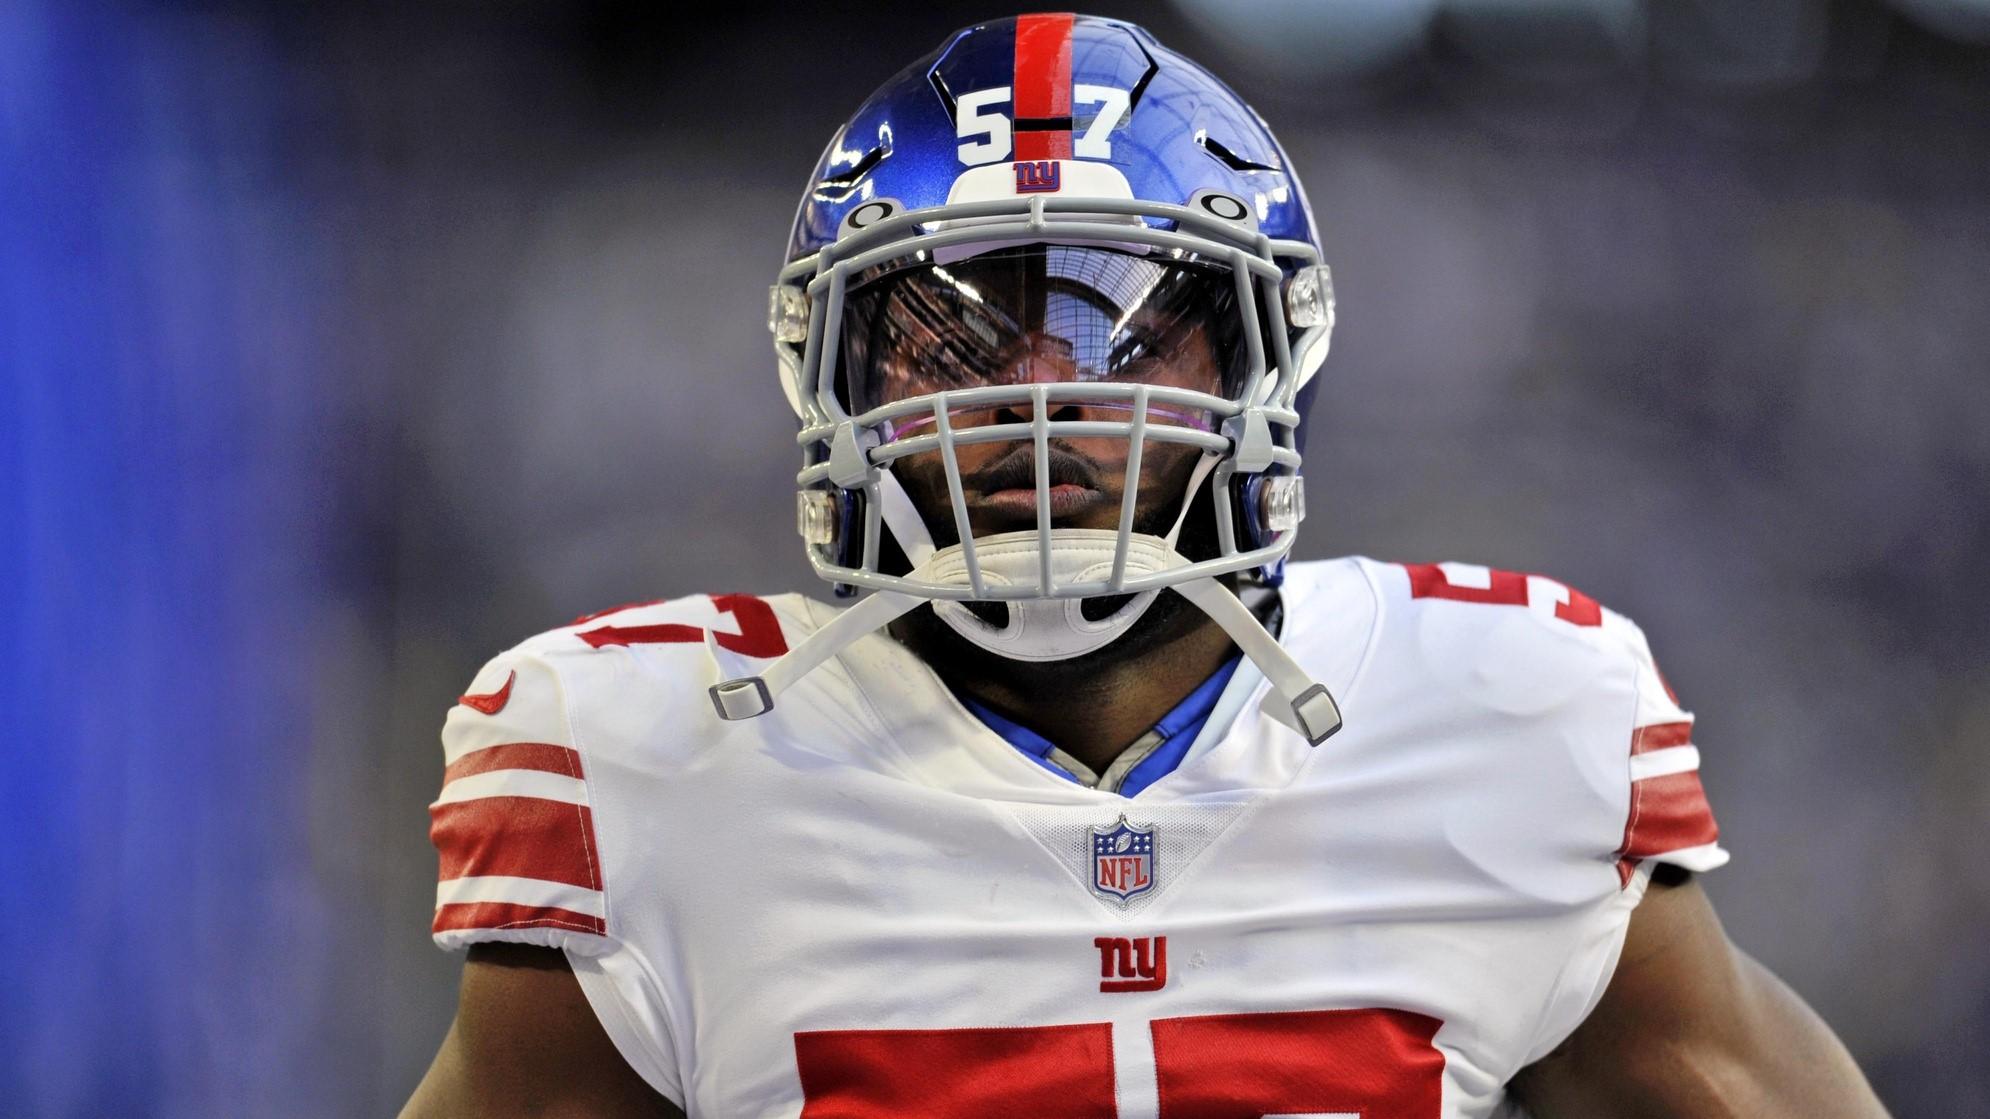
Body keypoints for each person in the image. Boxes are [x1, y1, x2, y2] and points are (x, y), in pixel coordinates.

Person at [403, 14, 1888, 1118]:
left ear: (1260, 365)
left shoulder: (1510, 711)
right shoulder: (647, 758)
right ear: (835, 384)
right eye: (948, 334)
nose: (1038, 395)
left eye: (1126, 324)